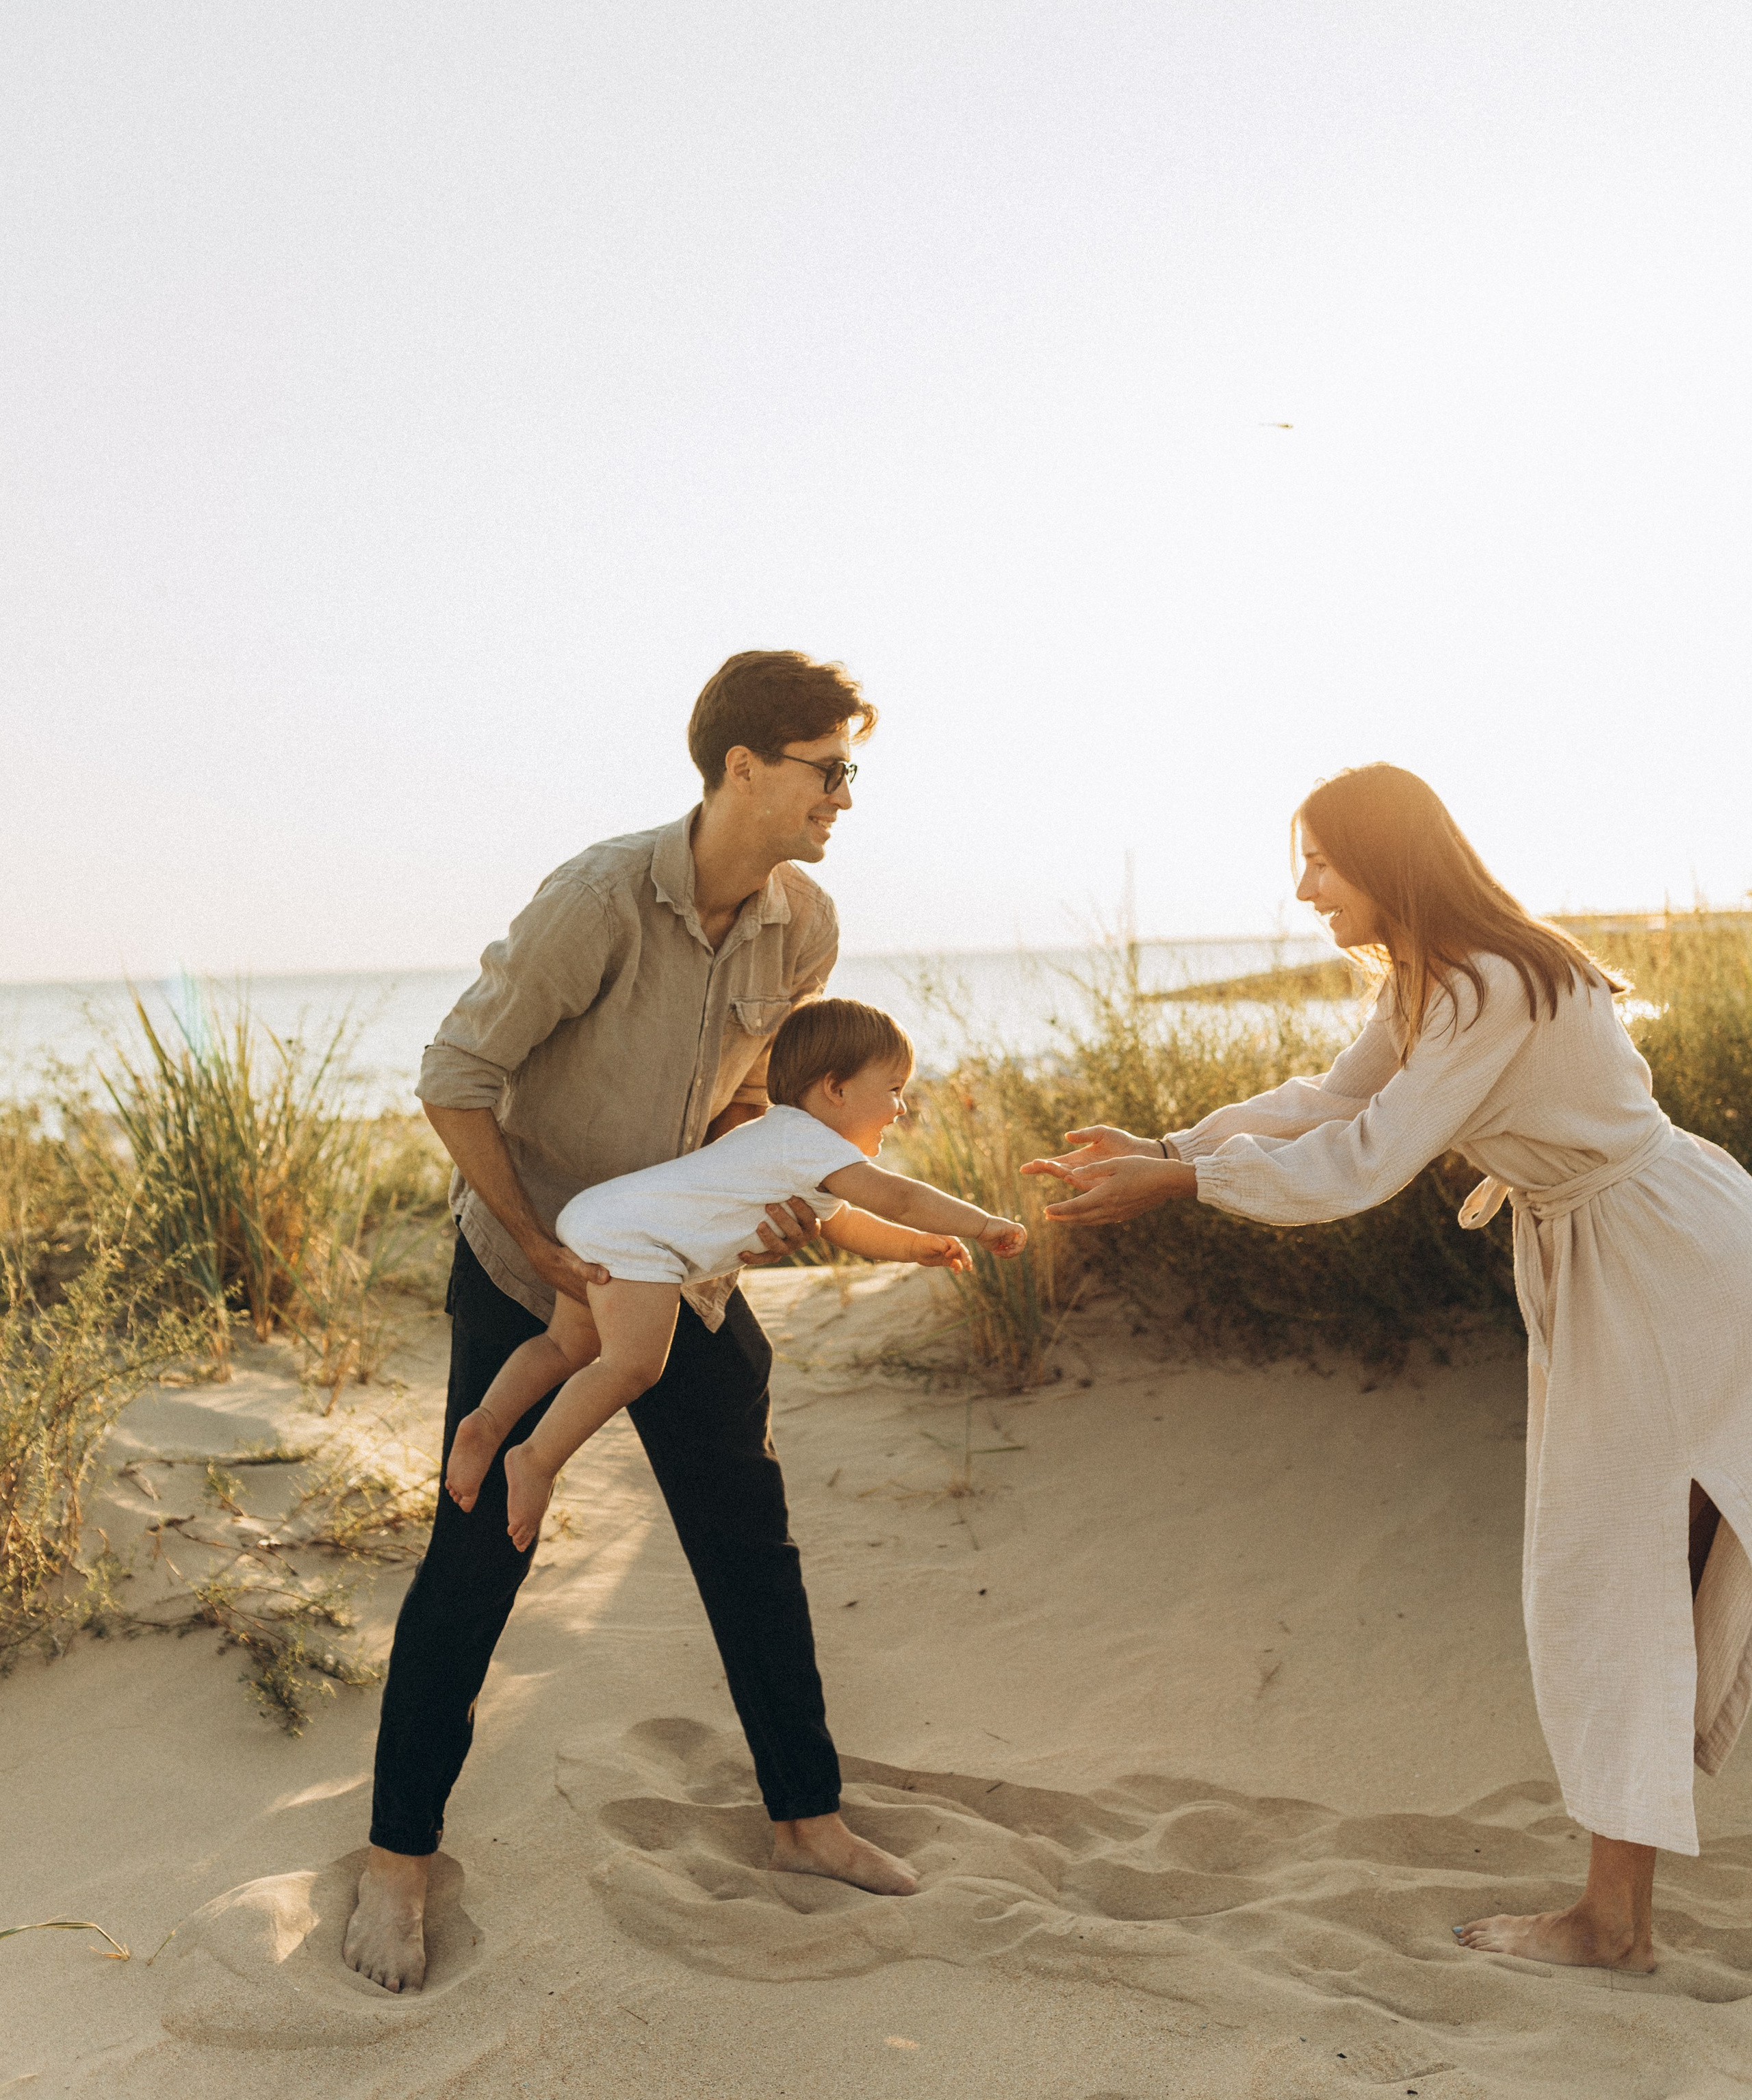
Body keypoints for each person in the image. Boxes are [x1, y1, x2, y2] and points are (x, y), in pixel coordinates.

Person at [1024, 763, 1752, 1975]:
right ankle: (1615, 1916)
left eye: (1319, 859)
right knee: (1638, 1575)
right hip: (1633, 1258)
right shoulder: (1436, 980)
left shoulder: (1493, 983)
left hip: (1668, 1272)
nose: (1302, 886)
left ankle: (1611, 1926)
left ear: (1386, 858)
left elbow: (1366, 1157)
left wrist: (1186, 1179)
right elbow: (1328, 1099)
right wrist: (1169, 1145)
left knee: (1620, 1579)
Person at [345, 650, 920, 1993]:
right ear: (739, 768)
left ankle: (804, 1819)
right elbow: (455, 1076)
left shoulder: (803, 927)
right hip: (534, 1273)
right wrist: (542, 1239)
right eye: (826, 769)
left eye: (851, 771)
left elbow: (735, 1106)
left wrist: (769, 1185)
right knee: (479, 1553)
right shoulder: (597, 903)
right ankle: (396, 1858)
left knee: (749, 1545)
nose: (844, 795)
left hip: (681, 1271)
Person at [445, 997, 1027, 1549]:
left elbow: (844, 1223)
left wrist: (916, 1247)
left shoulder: (789, 1141)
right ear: (837, 1088)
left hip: (603, 1217)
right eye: (894, 1089)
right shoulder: (809, 1143)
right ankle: (535, 1460)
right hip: (639, 1243)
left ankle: (487, 1424)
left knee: (565, 1344)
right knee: (634, 1366)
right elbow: (897, 1197)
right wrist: (983, 1224)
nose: (902, 1107)